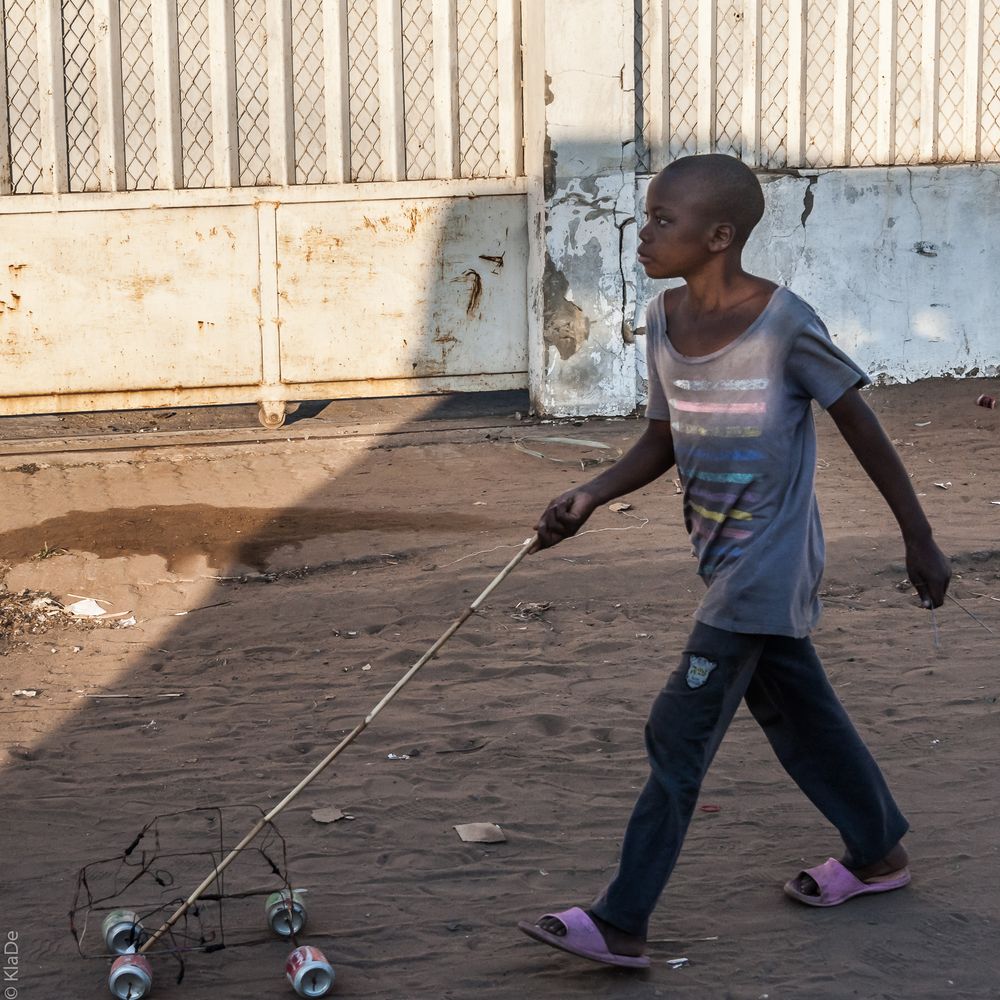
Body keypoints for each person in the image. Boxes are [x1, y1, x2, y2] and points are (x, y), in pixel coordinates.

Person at [517, 153, 951, 969]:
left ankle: (622, 919)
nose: (642, 233)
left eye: (662, 222)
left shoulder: (786, 324)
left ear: (720, 236)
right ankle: (878, 853)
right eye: (645, 217)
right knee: (800, 716)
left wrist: (917, 536)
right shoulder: (664, 319)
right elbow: (661, 439)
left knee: (675, 735)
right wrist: (589, 495)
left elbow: (862, 425)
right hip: (720, 558)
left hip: (767, 565)